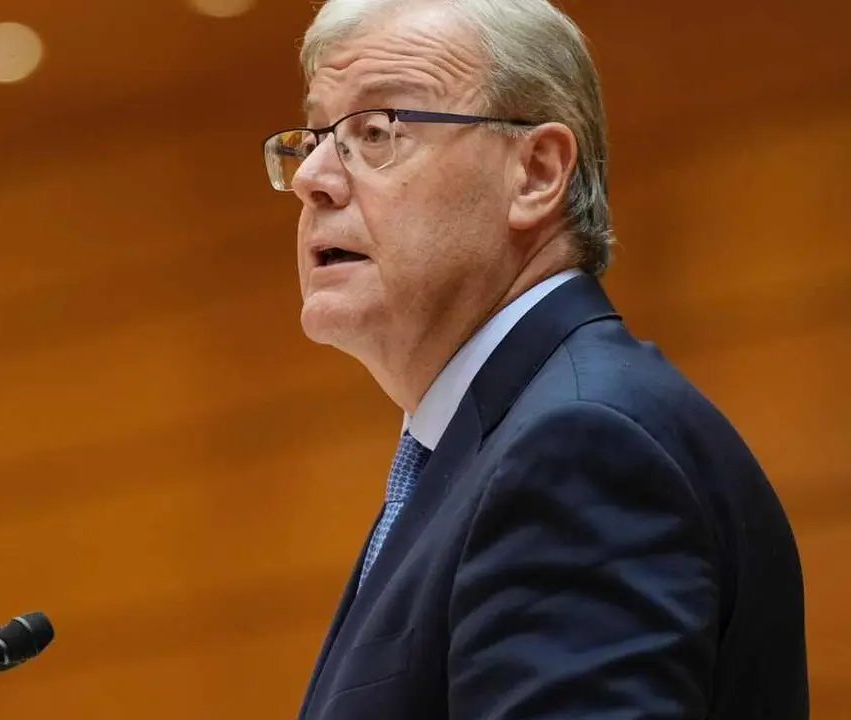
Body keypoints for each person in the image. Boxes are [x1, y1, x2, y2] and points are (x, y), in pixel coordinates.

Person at [261, 0, 809, 717]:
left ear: (536, 173)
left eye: (376, 131)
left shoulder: (579, 450)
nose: (313, 178)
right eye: (316, 137)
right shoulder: (489, 449)